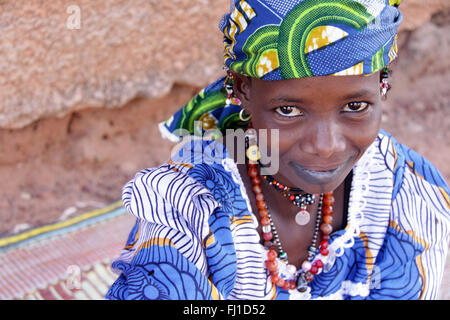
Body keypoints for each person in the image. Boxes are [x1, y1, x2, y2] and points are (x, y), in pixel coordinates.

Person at [106, 0, 449, 300]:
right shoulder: (191, 212)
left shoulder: (406, 195)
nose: (324, 146)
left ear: (382, 85)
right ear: (243, 90)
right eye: (288, 110)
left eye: (355, 106)